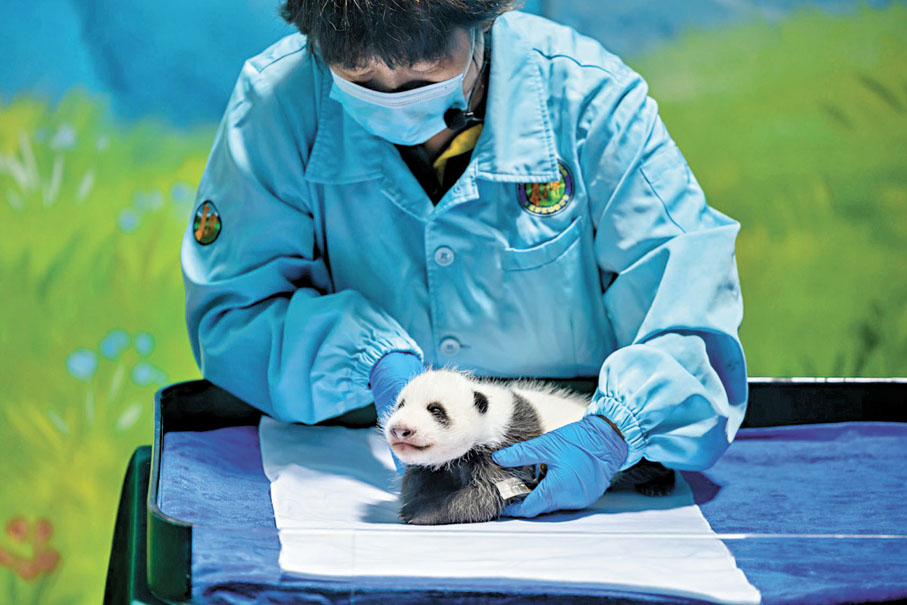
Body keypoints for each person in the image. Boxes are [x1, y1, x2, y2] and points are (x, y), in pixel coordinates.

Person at [181, 0, 747, 519]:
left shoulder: (591, 100)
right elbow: (235, 311)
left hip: (572, 440)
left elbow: (690, 318)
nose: (392, 93)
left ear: (487, 18)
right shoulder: (277, 103)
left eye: (424, 72)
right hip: (351, 441)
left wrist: (618, 430)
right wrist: (368, 360)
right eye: (358, 75)